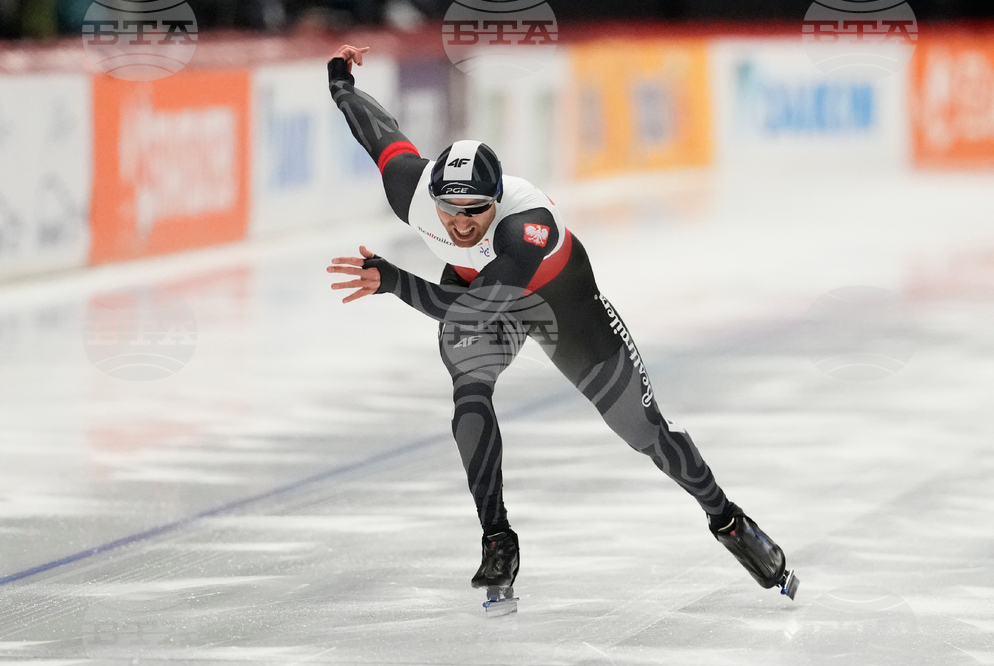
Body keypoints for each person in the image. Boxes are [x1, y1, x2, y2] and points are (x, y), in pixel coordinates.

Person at [325, 44, 797, 604]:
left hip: (561, 304)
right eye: (449, 212)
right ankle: (498, 539)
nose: (460, 224)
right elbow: (380, 134)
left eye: (475, 211)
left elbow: (469, 309)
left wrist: (394, 280)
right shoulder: (411, 188)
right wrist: (342, 84)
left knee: (644, 432)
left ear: (498, 200)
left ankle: (729, 521)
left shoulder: (527, 225)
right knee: (469, 394)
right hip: (478, 291)